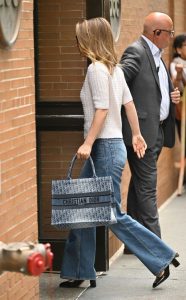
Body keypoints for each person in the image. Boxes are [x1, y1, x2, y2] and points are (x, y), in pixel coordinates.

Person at [59, 17, 180, 290]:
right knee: (83, 209)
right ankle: (79, 270)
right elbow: (129, 104)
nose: (76, 42)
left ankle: (161, 256)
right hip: (108, 148)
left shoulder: (96, 70)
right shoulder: (112, 69)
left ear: (90, 39)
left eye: (80, 37)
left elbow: (102, 110)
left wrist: (88, 143)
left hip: (103, 147)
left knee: (109, 212)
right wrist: (136, 134)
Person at [120, 12, 181, 245]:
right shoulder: (135, 51)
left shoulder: (157, 54)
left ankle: (133, 244)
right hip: (141, 136)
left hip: (156, 132)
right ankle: (158, 251)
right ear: (157, 33)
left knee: (139, 186)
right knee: (147, 189)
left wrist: (170, 95)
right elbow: (119, 82)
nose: (172, 38)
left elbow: (154, 89)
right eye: (170, 32)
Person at [170, 33, 186, 138]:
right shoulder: (175, 64)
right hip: (183, 105)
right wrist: (180, 73)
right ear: (178, 49)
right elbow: (177, 85)